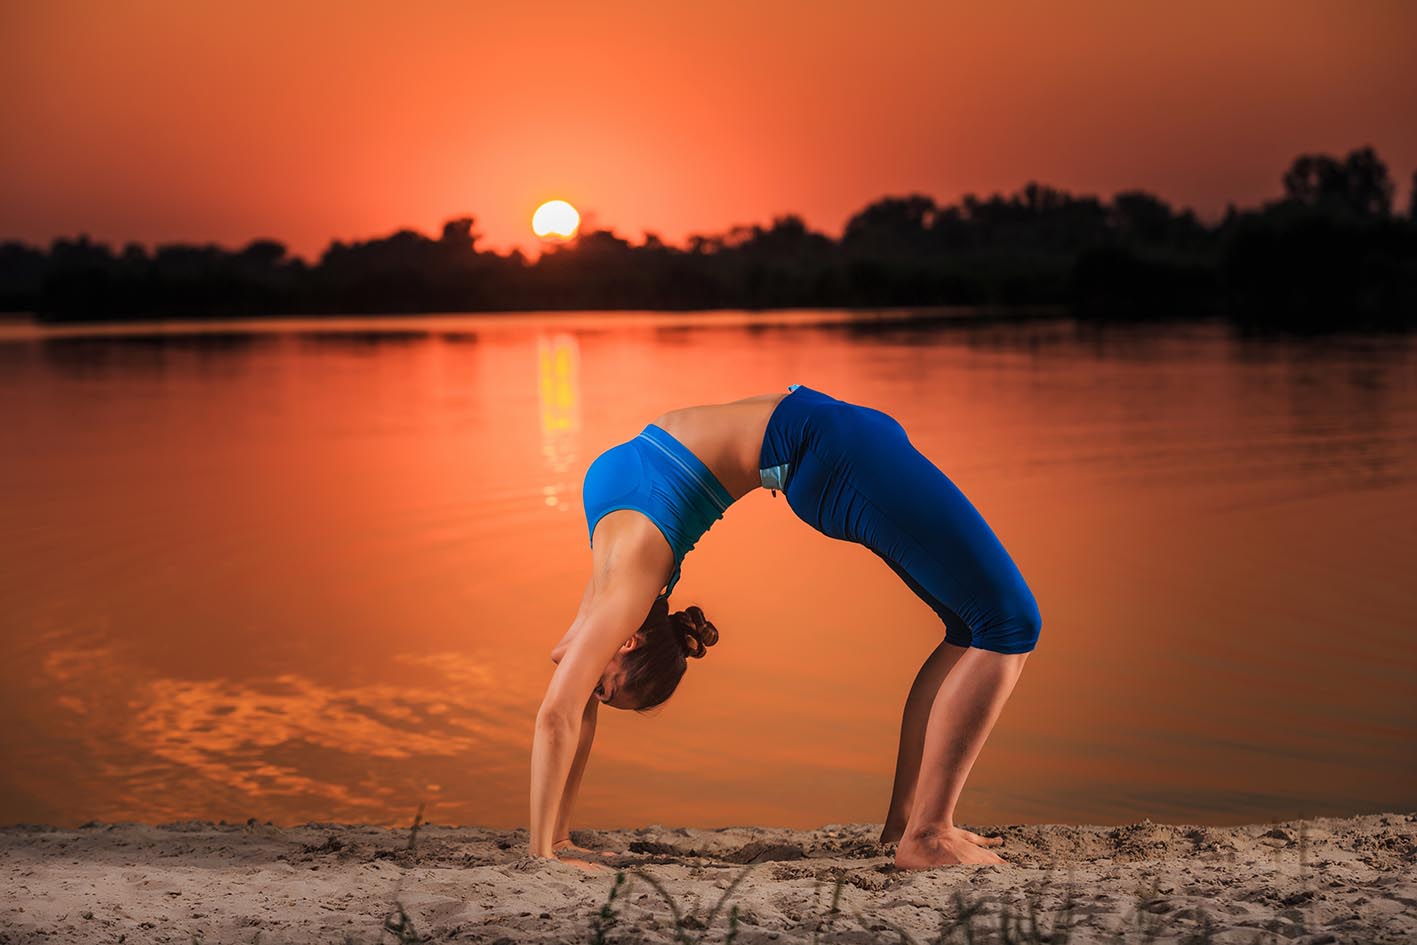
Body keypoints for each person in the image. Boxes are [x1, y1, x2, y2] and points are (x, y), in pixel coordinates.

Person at [530, 383, 1040, 871]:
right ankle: (925, 834)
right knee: (1008, 623)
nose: (591, 683)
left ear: (628, 642)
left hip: (834, 447)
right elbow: (568, 699)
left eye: (604, 688)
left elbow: (559, 711)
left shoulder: (624, 588)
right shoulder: (622, 570)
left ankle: (911, 826)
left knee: (985, 626)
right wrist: (552, 844)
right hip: (830, 448)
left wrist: (545, 850)